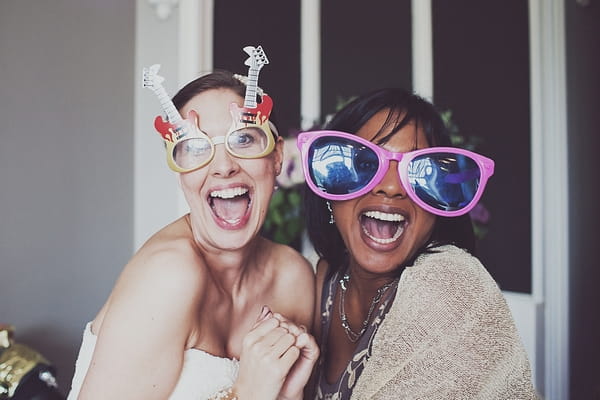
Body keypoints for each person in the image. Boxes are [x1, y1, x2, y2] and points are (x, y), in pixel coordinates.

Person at [66, 48, 318, 400]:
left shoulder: (294, 278)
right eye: (196, 147)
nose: (223, 166)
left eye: (244, 139)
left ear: (276, 158)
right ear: (180, 169)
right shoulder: (169, 274)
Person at [298, 88, 539, 399]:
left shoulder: (451, 287)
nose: (390, 187)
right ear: (331, 191)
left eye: (419, 173)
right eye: (364, 164)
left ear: (438, 205)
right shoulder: (320, 281)